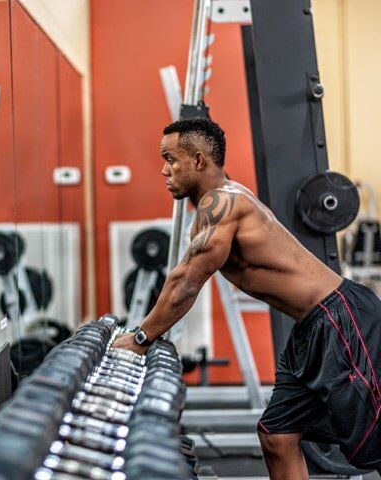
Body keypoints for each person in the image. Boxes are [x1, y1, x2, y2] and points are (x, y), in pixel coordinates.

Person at [112, 118, 381, 478]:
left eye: (171, 159)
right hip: (310, 328)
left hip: (341, 319)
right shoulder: (219, 202)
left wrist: (141, 339)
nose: (164, 170)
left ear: (198, 160)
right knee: (277, 435)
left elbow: (186, 281)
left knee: (374, 441)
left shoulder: (223, 203)